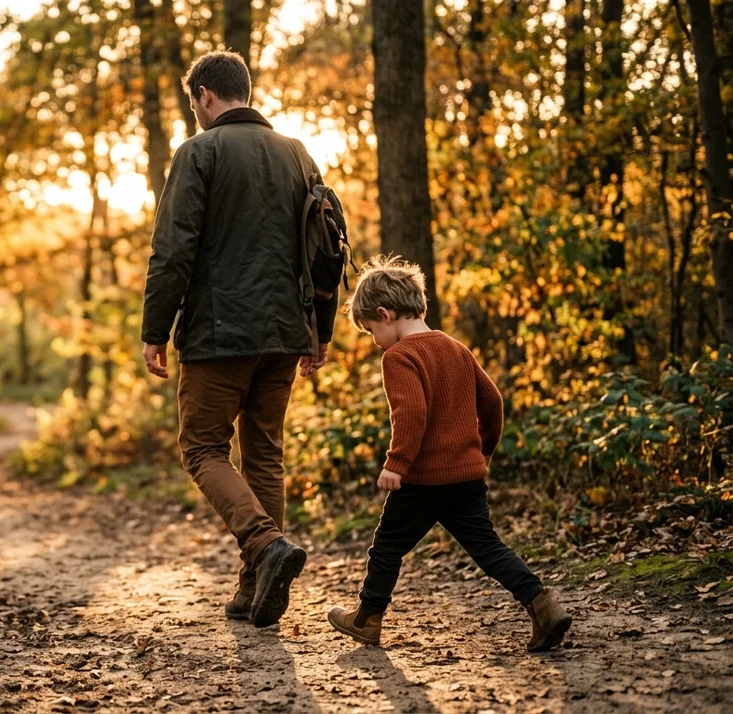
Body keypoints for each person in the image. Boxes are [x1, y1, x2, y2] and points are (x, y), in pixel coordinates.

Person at [140, 50, 335, 629]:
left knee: (201, 448)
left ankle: (264, 545)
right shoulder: (297, 153)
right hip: (284, 330)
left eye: (192, 101)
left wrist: (156, 329)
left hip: (219, 333)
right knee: (265, 454)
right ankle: (255, 589)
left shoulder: (199, 152)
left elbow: (173, 249)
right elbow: (324, 251)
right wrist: (318, 331)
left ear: (203, 95)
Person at [325, 256, 573, 652]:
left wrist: (396, 464)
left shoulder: (400, 357)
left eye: (371, 329)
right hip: (467, 476)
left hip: (422, 480)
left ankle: (367, 619)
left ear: (385, 315)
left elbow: (412, 413)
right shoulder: (456, 348)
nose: (374, 340)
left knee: (387, 547)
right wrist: (483, 452)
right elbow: (492, 402)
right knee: (489, 547)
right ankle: (543, 605)